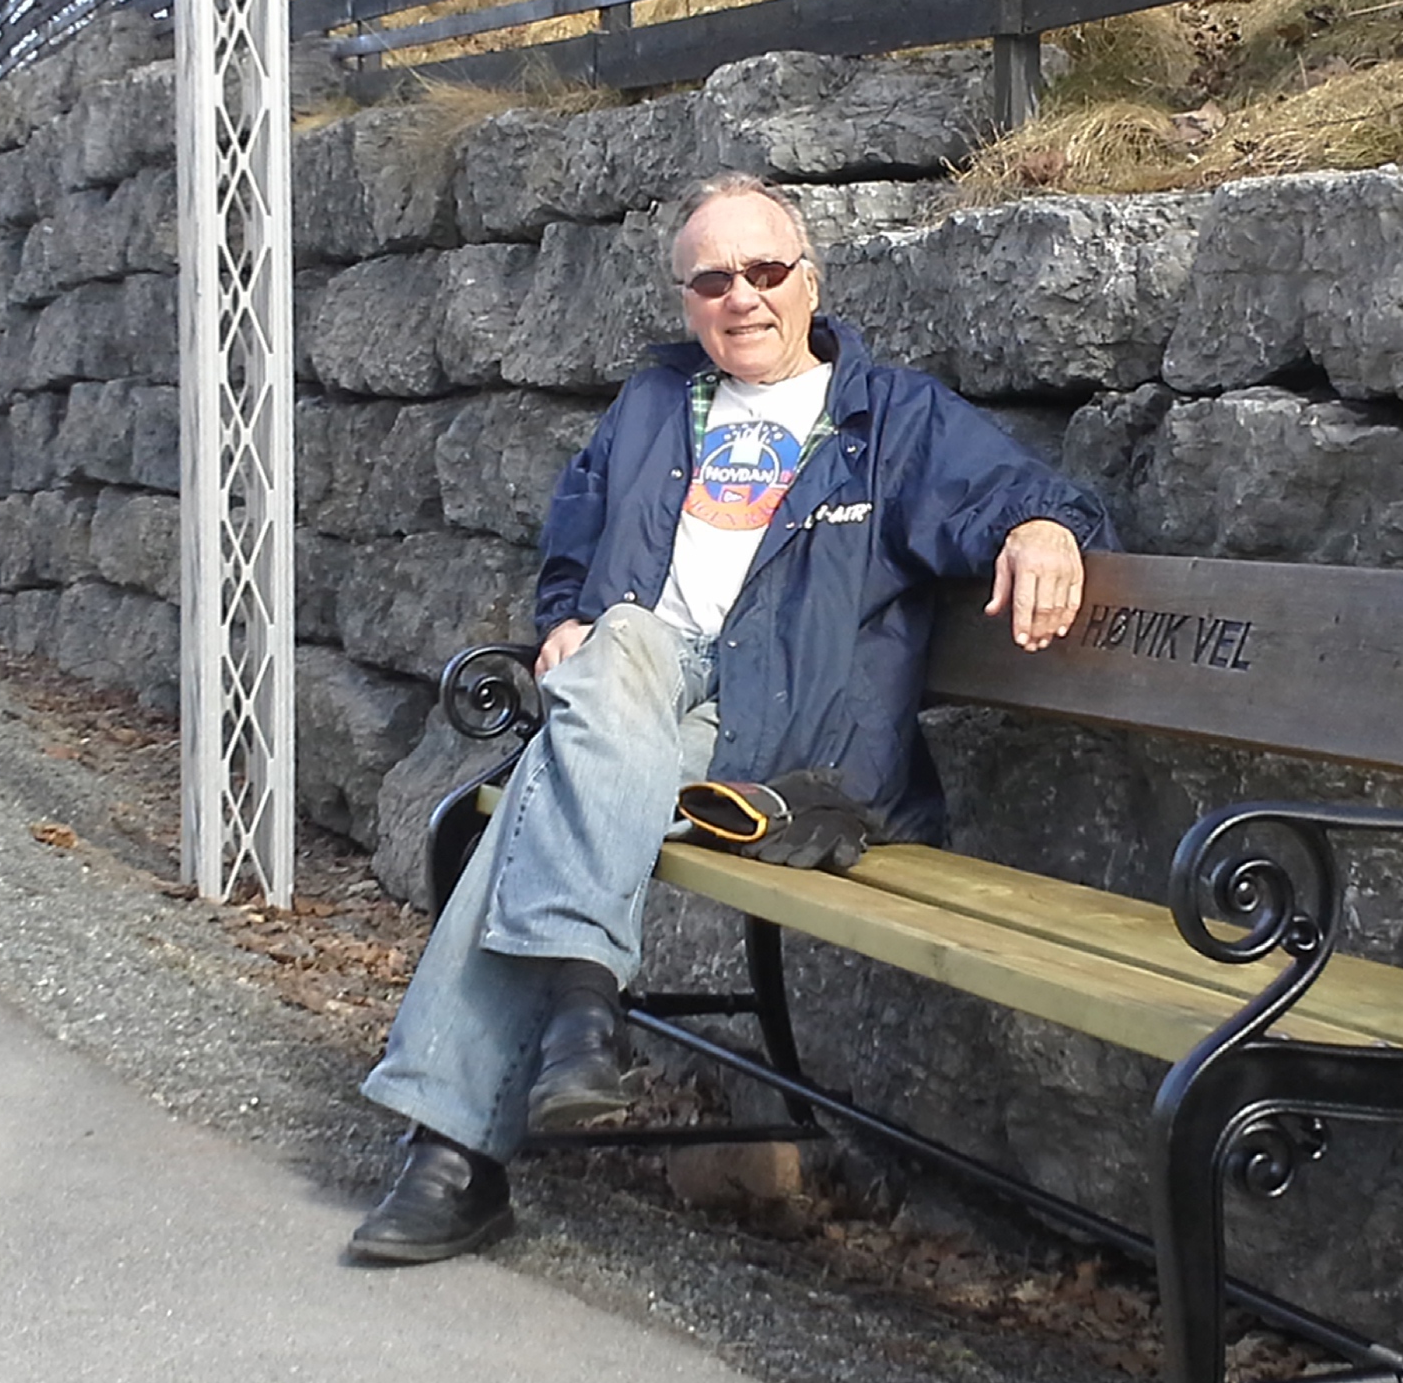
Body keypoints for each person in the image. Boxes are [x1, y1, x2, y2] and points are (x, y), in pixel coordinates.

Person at [346, 172, 1111, 1264]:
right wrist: (563, 622)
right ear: (685, 300)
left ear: (810, 283)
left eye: (764, 270)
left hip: (779, 738)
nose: (741, 296)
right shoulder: (654, 405)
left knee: (540, 793)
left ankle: (469, 1139)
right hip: (637, 690)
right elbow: (573, 543)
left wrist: (1042, 529)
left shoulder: (890, 419)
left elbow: (1012, 494)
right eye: (711, 280)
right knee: (616, 644)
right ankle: (570, 1018)